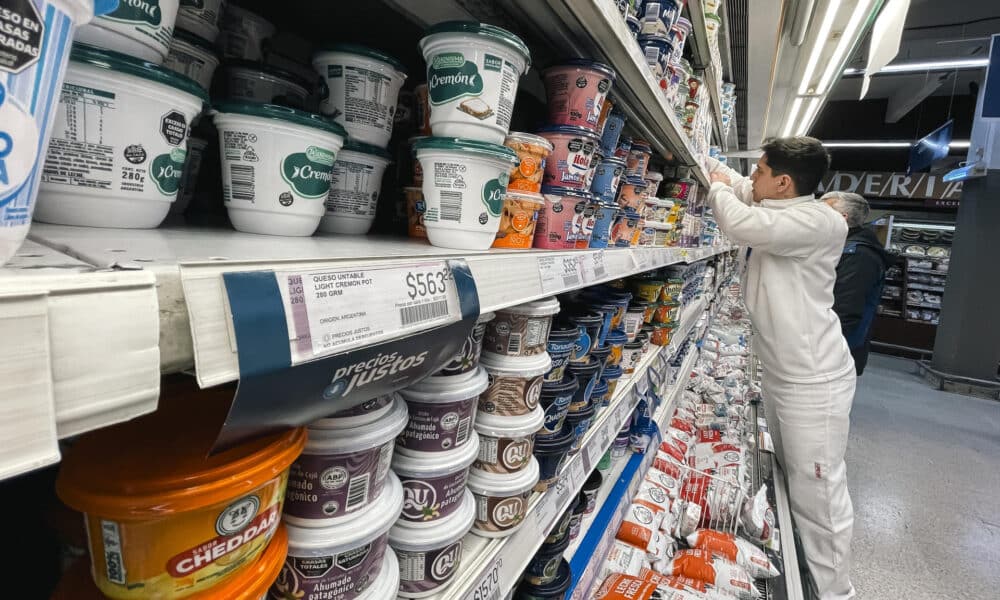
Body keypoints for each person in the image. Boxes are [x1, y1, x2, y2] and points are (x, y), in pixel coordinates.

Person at [705, 137, 856, 600]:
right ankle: (806, 572)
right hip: (784, 373)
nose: (754, 177)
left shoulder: (818, 221)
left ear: (784, 183)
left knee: (820, 495)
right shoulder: (788, 207)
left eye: (762, 170)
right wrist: (704, 159)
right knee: (794, 483)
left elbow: (737, 218)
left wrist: (715, 189)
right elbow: (740, 186)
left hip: (813, 382)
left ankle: (837, 593)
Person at [822, 192, 892, 375]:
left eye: (821, 213)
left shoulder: (858, 255)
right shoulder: (845, 247)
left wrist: (820, 354)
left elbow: (845, 310)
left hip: (833, 354)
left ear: (841, 218)